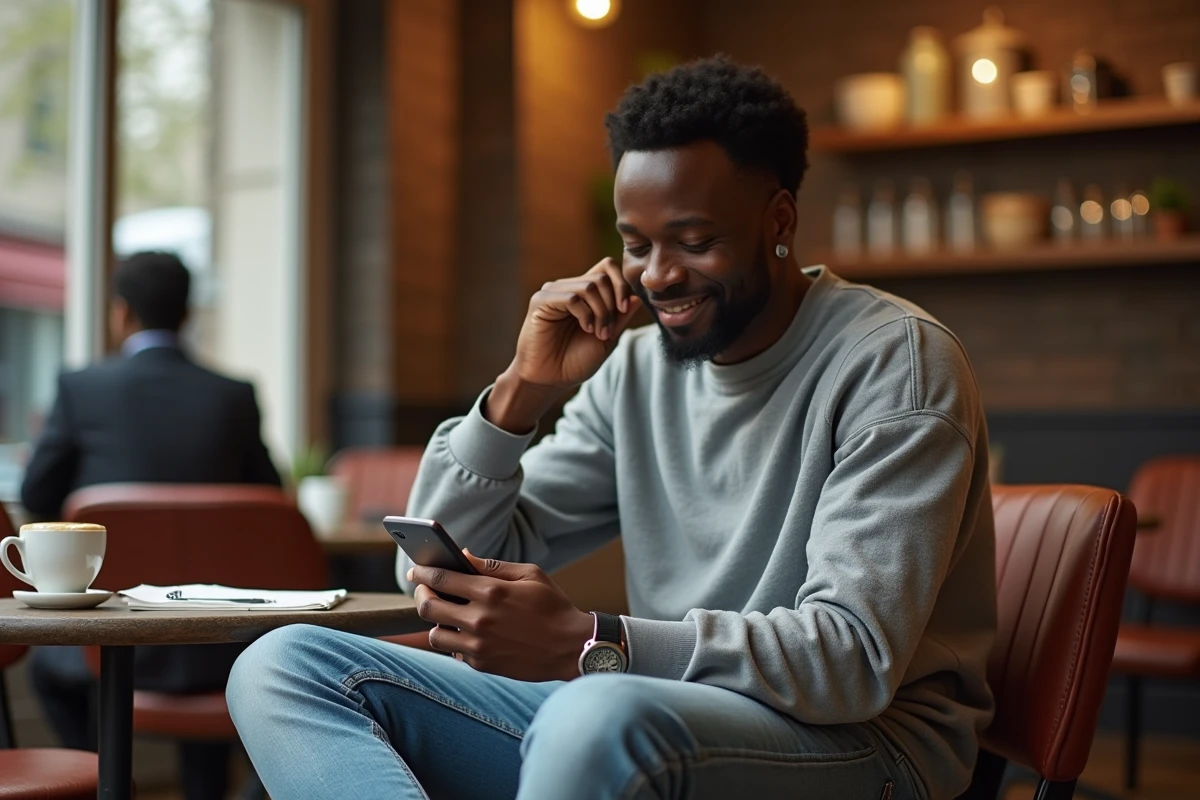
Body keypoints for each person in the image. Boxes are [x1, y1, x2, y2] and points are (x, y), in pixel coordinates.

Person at [227, 57, 996, 799]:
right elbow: (441, 567)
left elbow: (851, 661)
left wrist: (593, 642)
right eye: (637, 245)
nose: (658, 274)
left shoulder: (895, 362)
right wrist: (521, 390)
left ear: (779, 219)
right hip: (651, 719)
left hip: (868, 748)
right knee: (282, 666)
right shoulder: (638, 371)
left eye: (694, 242)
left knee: (594, 709)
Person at [21, 250, 282, 800]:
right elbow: (270, 502)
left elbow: (35, 495)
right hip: (216, 639)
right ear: (187, 314)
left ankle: (103, 777)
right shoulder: (233, 396)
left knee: (48, 669)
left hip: (112, 639)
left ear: (121, 314)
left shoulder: (81, 387)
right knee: (206, 655)